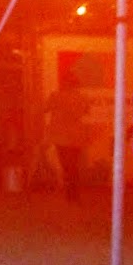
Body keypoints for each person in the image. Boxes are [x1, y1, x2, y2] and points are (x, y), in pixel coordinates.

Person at [46, 68, 89, 203]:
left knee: (66, 165)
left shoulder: (56, 96)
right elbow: (86, 111)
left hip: (60, 136)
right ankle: (74, 193)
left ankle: (70, 193)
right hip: (76, 136)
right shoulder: (81, 98)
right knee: (74, 165)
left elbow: (45, 108)